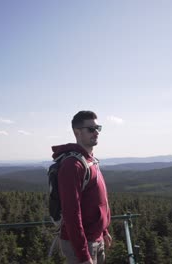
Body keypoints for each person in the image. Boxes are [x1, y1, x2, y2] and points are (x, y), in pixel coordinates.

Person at [51, 110, 112, 264]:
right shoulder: (73, 165)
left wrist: (103, 230)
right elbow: (72, 213)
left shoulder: (91, 161)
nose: (96, 133)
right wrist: (84, 255)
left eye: (98, 128)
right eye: (91, 129)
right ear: (77, 132)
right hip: (81, 244)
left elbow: (95, 201)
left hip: (95, 238)